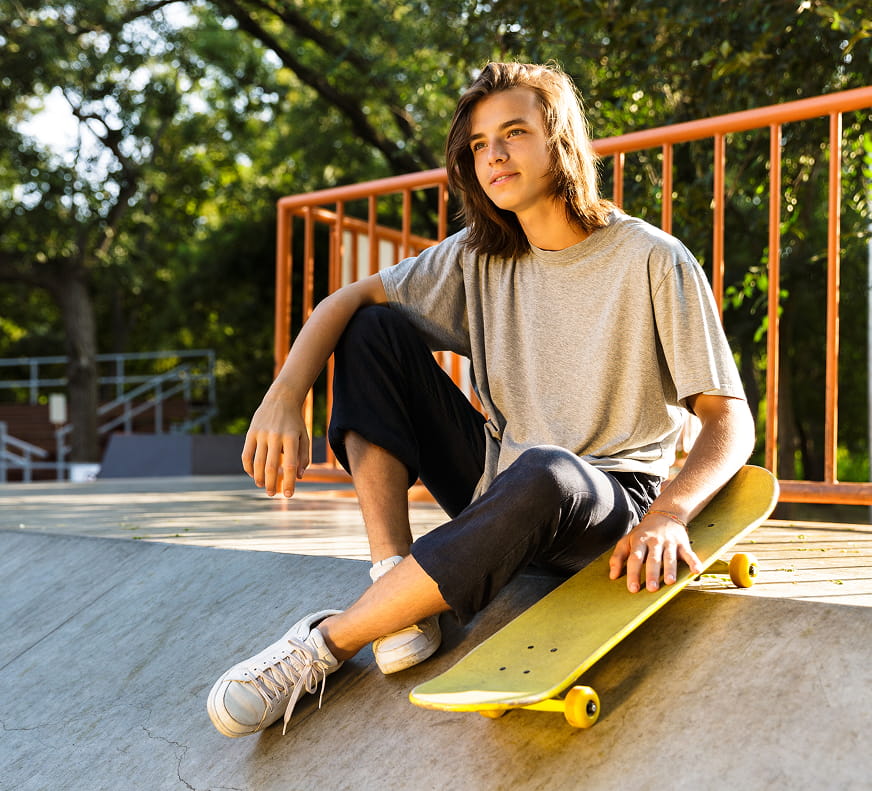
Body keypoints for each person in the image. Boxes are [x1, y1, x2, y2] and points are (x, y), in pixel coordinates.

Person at [207, 61, 755, 738]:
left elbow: (730, 418)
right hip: (499, 486)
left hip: (605, 505)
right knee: (371, 326)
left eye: (515, 132)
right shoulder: (481, 255)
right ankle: (398, 590)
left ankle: (327, 643)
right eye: (478, 143)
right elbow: (345, 300)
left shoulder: (652, 259)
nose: (493, 154)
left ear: (561, 143)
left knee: (548, 470)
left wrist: (669, 516)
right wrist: (283, 394)